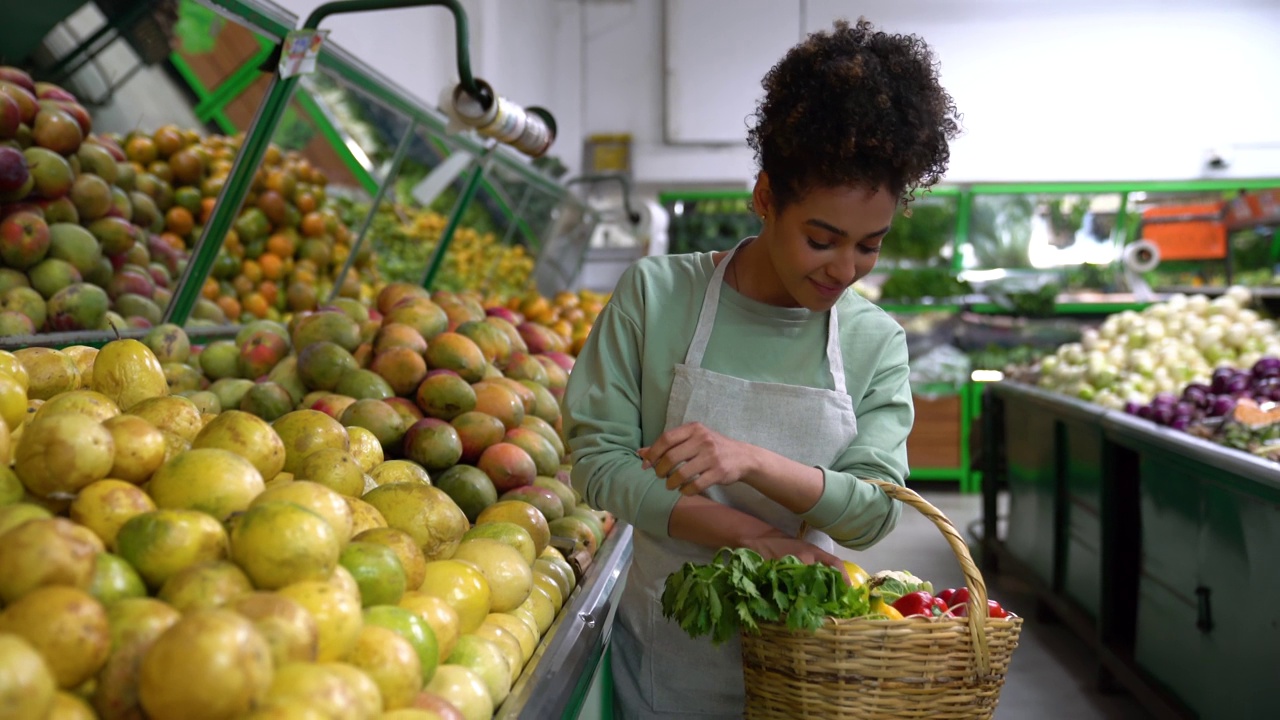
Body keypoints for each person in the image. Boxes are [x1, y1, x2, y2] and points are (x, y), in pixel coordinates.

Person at [561, 17, 961, 719]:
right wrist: (757, 537)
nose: (844, 269)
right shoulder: (657, 297)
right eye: (821, 238)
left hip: (818, 660)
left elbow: (872, 514)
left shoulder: (874, 341)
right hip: (666, 650)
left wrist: (750, 461)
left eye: (870, 246)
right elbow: (598, 462)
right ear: (766, 198)